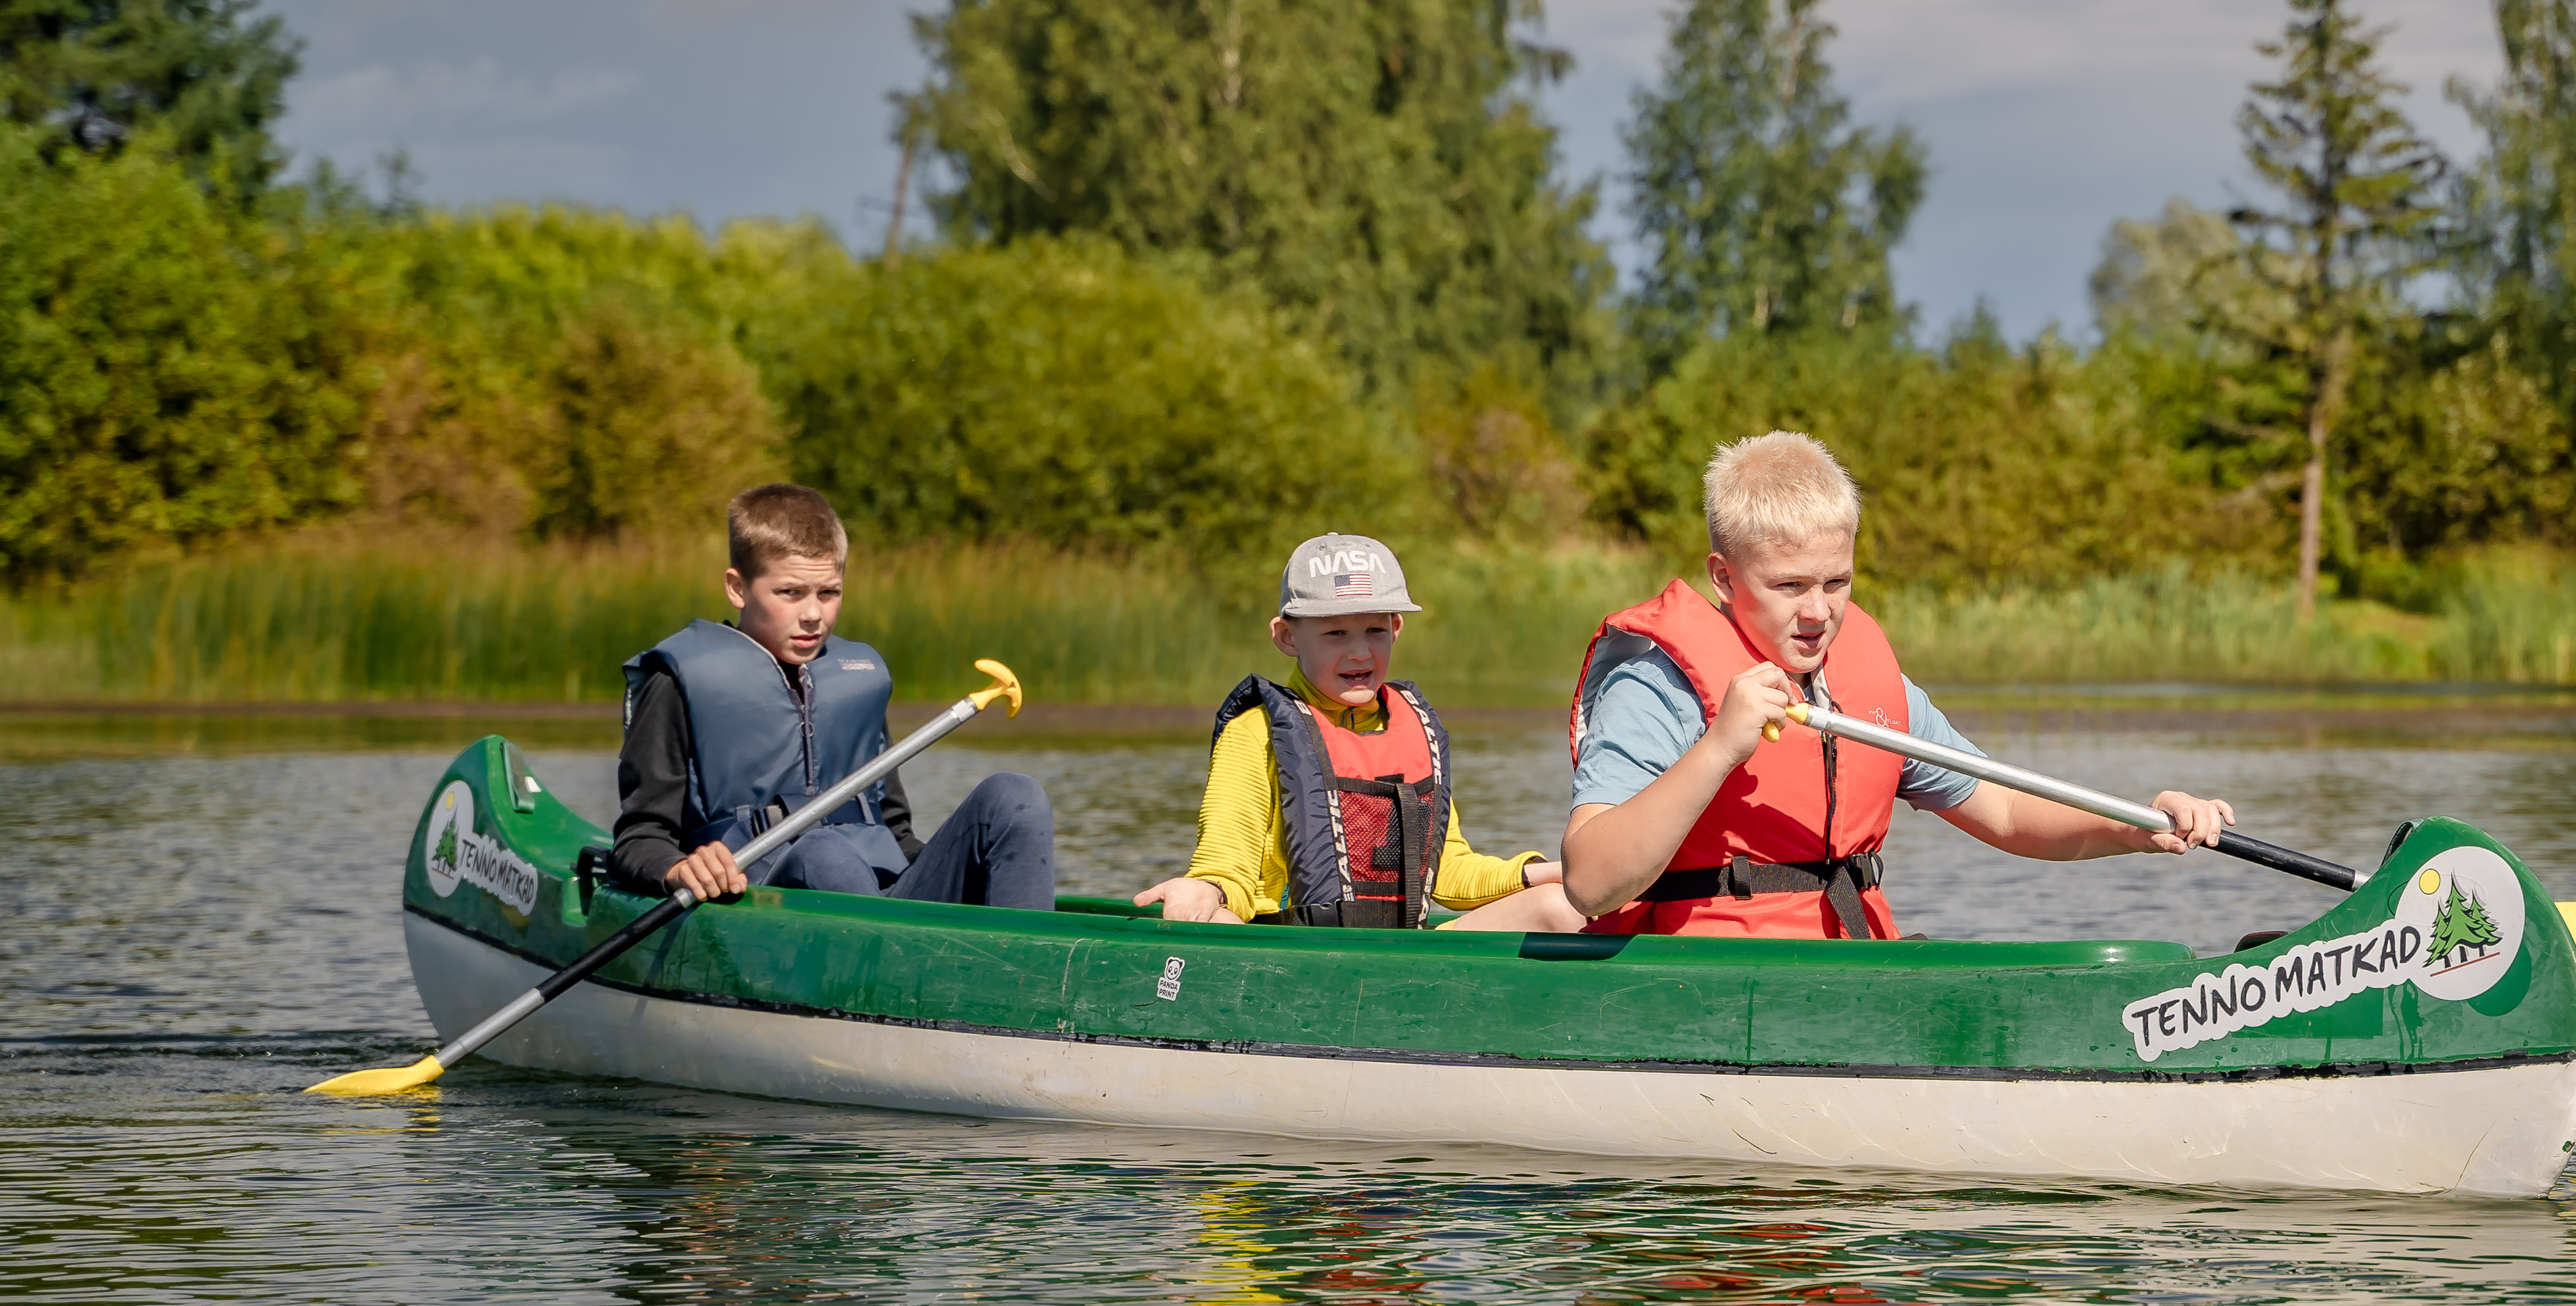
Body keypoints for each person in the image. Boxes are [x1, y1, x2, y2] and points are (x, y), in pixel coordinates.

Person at [1562, 431, 2231, 938]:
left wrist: (2134, 825)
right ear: (1722, 576)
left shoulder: (1869, 681)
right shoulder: (1657, 687)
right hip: (1707, 987)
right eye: (1789, 586)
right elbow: (1589, 883)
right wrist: (1717, 748)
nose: (1818, 612)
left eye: (1836, 582)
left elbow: (2001, 809)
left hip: (1851, 970)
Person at [613, 483, 1056, 910]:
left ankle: (1035, 970)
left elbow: (896, 834)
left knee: (1014, 796)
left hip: (875, 900)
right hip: (763, 905)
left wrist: (965, 870)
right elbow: (640, 839)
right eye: (790, 592)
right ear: (737, 587)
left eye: (829, 593)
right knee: (823, 852)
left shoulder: (857, 680)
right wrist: (678, 869)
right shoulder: (678, 680)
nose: (812, 614)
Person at [1135, 533, 1583, 932]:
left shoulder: (1416, 730)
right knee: (1212, 916)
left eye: (1374, 629)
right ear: (1287, 637)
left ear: (1396, 628)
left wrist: (1543, 872)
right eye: (1335, 632)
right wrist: (1207, 889)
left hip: (1403, 953)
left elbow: (1447, 872)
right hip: (1291, 953)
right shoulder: (1254, 731)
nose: (1359, 652)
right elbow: (1227, 862)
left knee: (1560, 905)